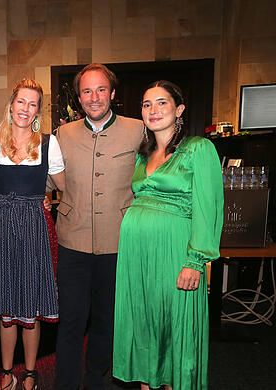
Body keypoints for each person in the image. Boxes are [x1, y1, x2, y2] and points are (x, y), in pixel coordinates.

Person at [113, 81, 223, 390]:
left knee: (175, 329)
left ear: (179, 110)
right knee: (146, 325)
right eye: (147, 104)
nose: (153, 110)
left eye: (162, 103)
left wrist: (196, 261)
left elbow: (208, 208)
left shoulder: (198, 149)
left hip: (176, 254)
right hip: (138, 256)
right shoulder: (143, 155)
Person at [54, 63, 144, 390]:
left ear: (113, 94)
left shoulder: (138, 130)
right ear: (79, 98)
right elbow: (37, 155)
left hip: (118, 242)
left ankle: (96, 380)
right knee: (71, 323)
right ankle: (65, 384)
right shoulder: (62, 134)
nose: (94, 97)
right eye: (87, 91)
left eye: (101, 90)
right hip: (72, 243)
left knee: (107, 322)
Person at [0, 78, 66, 390]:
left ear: (37, 111)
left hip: (34, 226)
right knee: (6, 308)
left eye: (32, 104)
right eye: (21, 102)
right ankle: (7, 372)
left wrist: (47, 197)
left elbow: (62, 185)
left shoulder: (48, 143)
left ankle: (30, 372)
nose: (25, 109)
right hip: (3, 226)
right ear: (12, 104)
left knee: (30, 304)